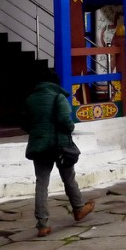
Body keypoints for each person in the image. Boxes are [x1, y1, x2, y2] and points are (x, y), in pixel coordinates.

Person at [22, 69, 94, 236]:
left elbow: (25, 123)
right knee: (69, 179)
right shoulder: (58, 97)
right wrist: (68, 128)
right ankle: (78, 209)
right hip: (59, 146)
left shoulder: (30, 99)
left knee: (41, 183)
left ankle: (42, 224)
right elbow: (66, 123)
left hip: (39, 146)